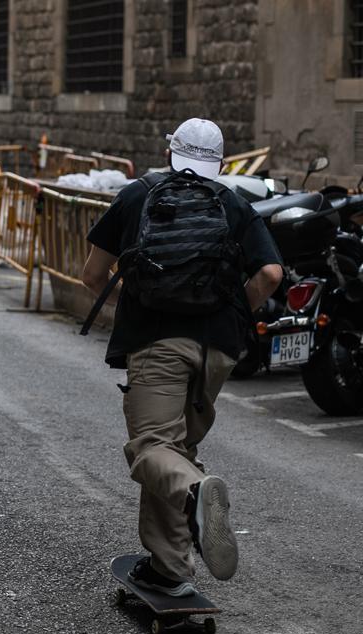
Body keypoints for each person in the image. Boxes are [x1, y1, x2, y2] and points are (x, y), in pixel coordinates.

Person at [81, 118, 283, 597]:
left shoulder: (136, 195)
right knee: (176, 451)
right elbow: (272, 274)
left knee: (152, 449)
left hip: (157, 344)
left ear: (172, 151)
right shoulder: (232, 202)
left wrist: (134, 307)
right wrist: (235, 314)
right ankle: (168, 569)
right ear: (218, 162)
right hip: (218, 350)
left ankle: (195, 494)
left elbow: (91, 274)